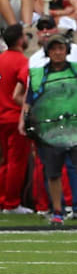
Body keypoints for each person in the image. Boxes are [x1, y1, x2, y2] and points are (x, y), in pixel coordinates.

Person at [20, 33, 77, 226]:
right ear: (48, 52)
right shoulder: (38, 74)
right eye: (53, 48)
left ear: (67, 51)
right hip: (50, 131)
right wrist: (24, 121)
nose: (57, 52)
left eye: (61, 48)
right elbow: (29, 101)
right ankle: (57, 212)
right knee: (53, 173)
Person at [0, 24, 33, 214]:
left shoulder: (1, 59)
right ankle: (11, 203)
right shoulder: (23, 62)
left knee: (4, 161)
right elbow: (24, 91)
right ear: (20, 40)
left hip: (1, 117)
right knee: (16, 162)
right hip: (14, 118)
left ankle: (3, 199)